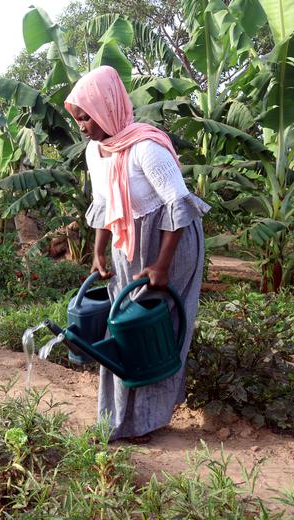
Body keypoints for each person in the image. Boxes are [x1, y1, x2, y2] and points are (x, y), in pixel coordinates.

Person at [64, 66, 209, 442]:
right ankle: (120, 415)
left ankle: (148, 420)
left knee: (157, 326)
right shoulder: (96, 153)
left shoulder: (146, 147)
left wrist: (161, 265)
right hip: (126, 241)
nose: (82, 126)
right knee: (124, 323)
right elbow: (103, 203)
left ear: (108, 108)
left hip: (168, 243)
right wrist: (98, 251)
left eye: (86, 117)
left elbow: (178, 205)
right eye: (78, 119)